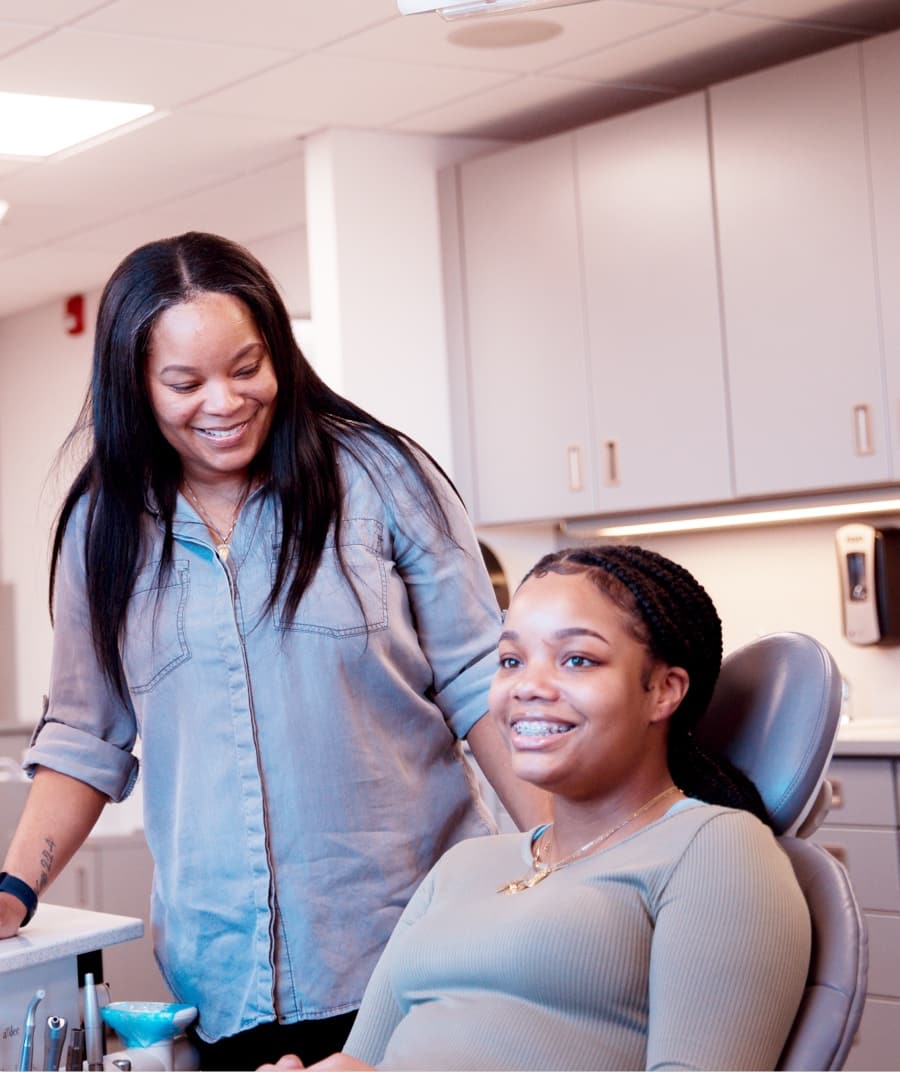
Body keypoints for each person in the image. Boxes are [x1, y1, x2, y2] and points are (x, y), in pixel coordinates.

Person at [0, 232, 548, 1069]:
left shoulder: (382, 476)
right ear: (136, 387)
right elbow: (83, 734)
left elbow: (483, 683)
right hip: (226, 981)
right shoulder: (102, 527)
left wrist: (569, 865)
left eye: (246, 367)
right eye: (184, 383)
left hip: (417, 950)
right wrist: (14, 889)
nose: (222, 401)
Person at [259, 544, 813, 1072]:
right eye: (510, 659)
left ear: (663, 691)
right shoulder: (464, 866)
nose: (528, 686)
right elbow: (362, 1060)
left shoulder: (714, 849)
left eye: (577, 659)